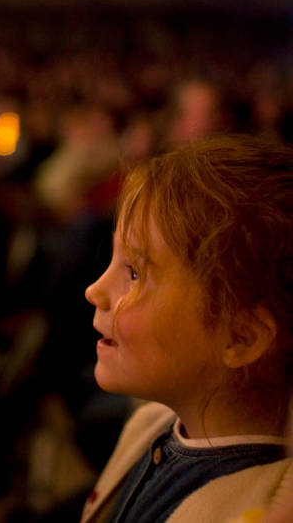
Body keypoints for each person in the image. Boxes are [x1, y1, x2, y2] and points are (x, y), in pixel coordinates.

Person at [81, 134, 293, 523]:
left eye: (133, 272)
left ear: (241, 337)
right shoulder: (149, 424)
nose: (94, 290)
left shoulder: (262, 508)